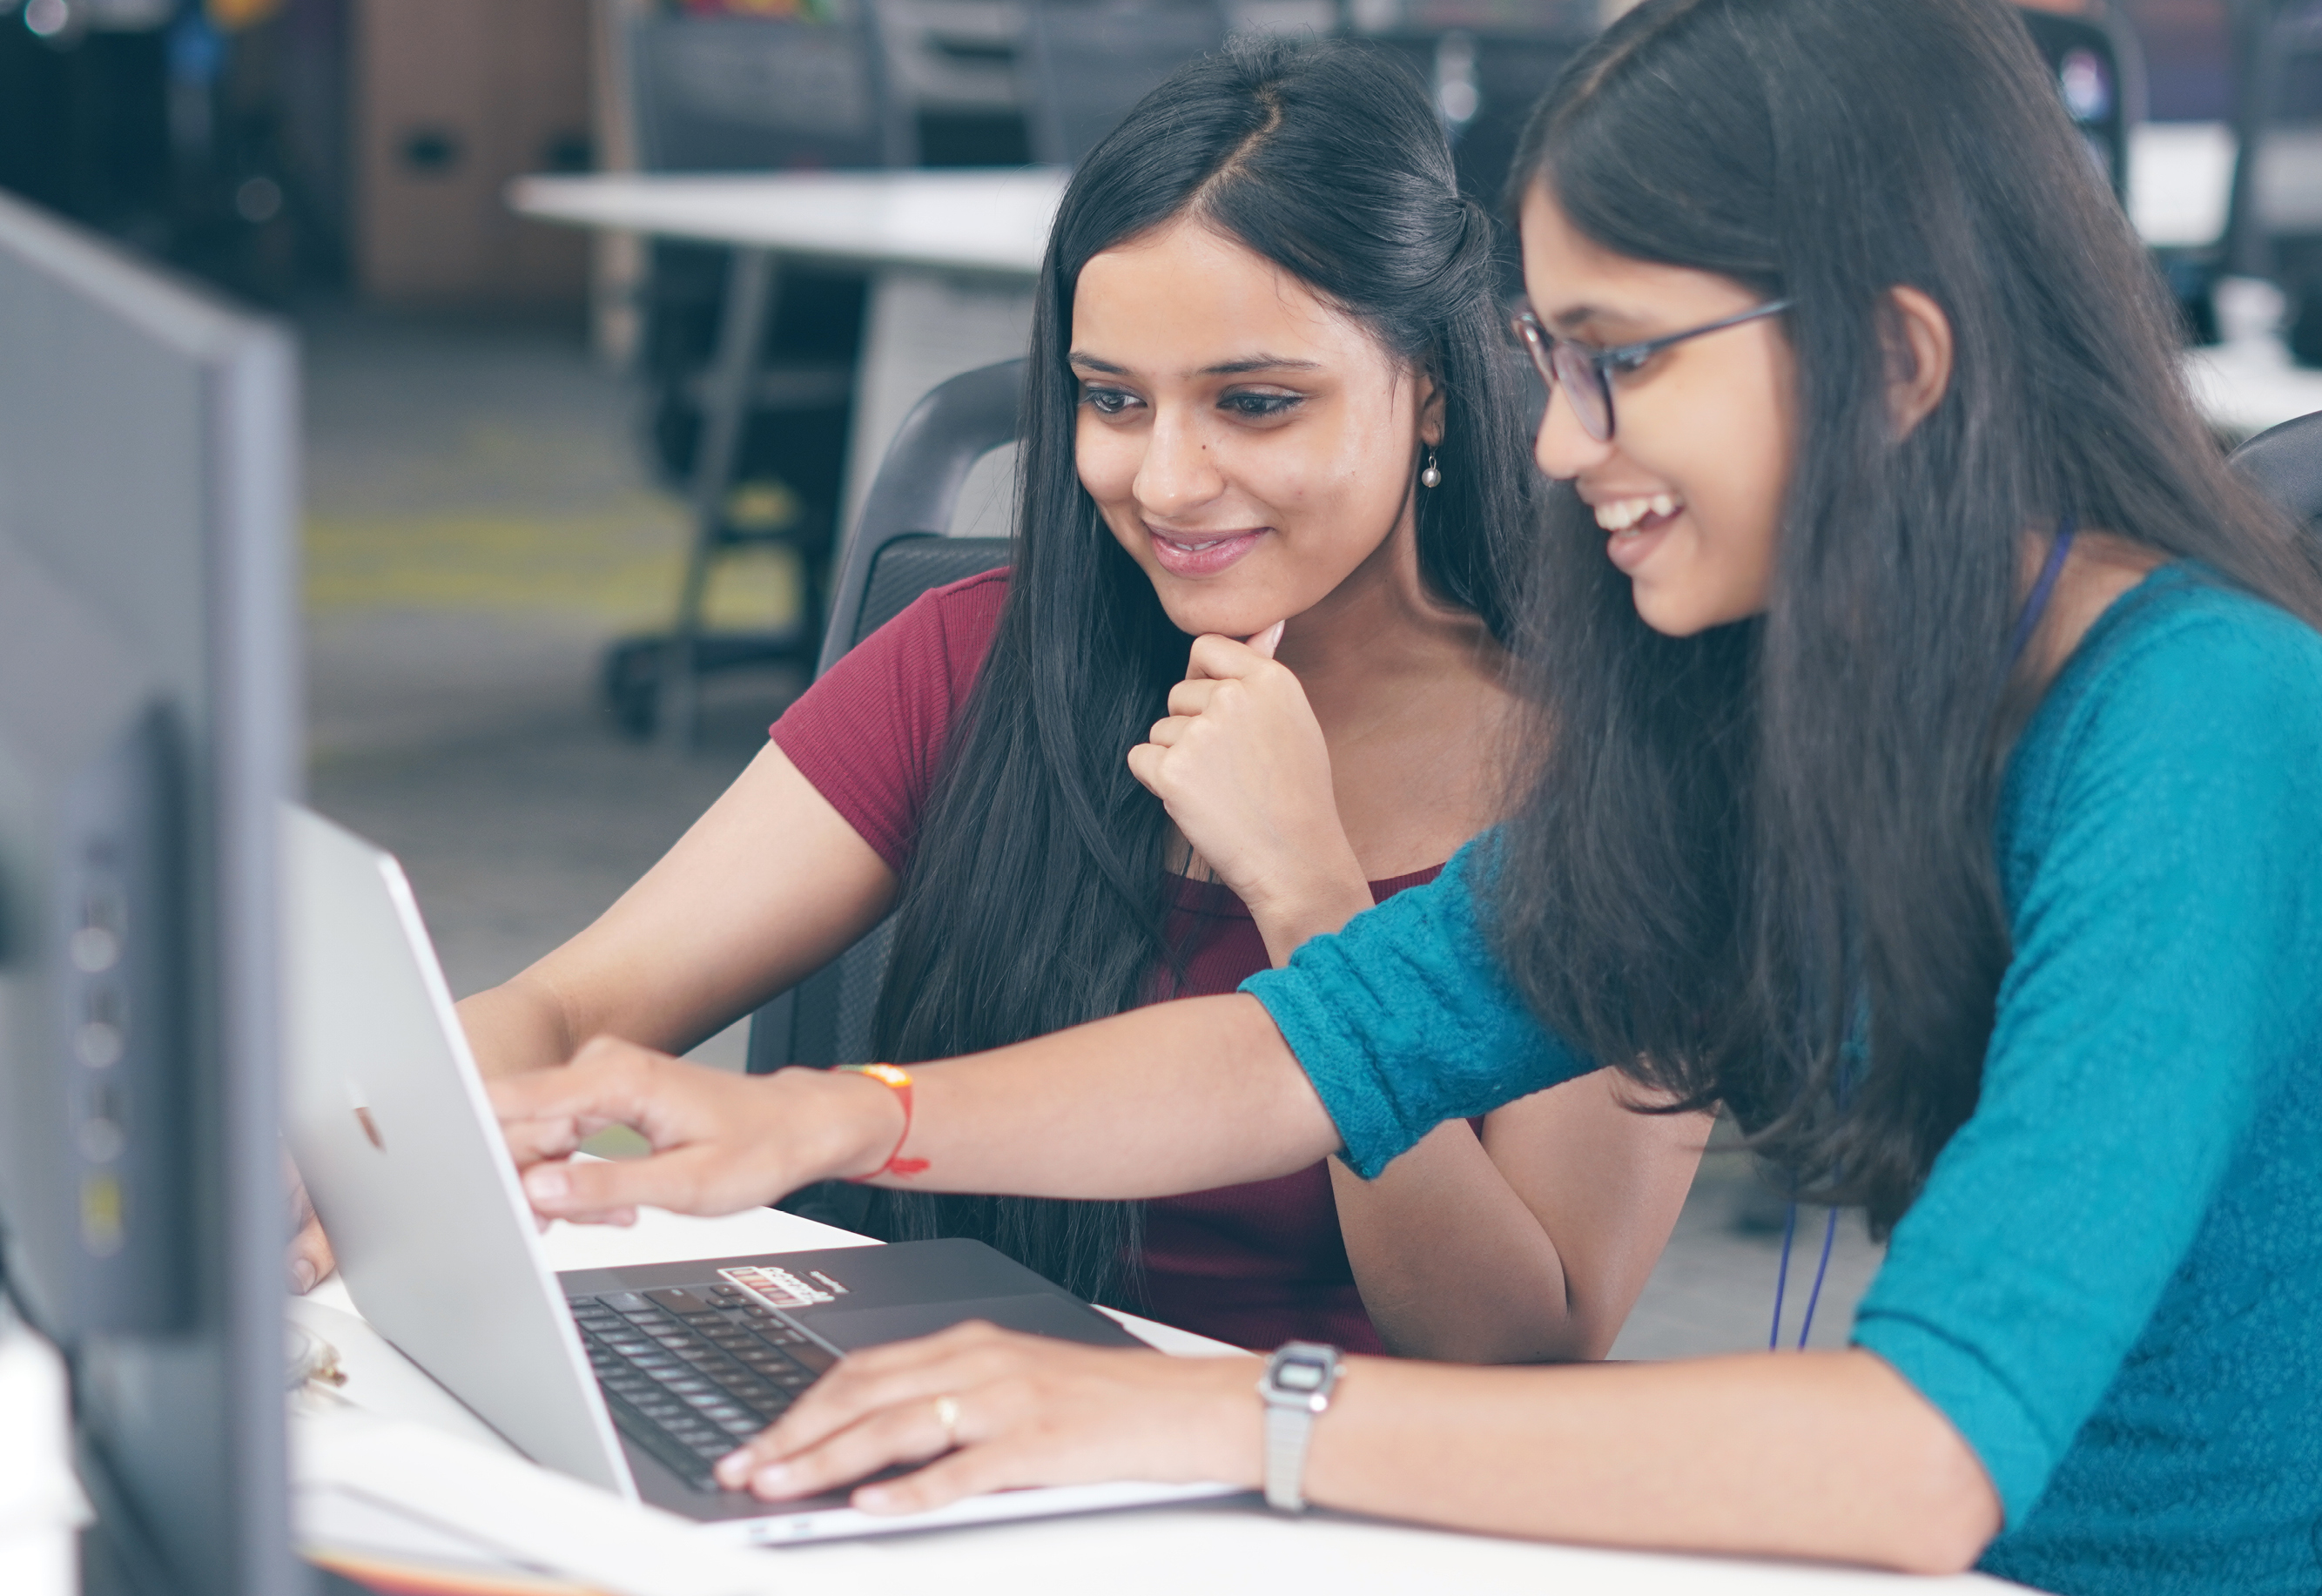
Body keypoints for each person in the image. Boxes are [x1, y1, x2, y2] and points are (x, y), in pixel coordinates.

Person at [490, 0, 2322, 1589]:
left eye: (1614, 362)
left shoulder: (2203, 721)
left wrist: (1197, 1409)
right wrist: (821, 1117)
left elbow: (1920, 1448)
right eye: (1545, 360)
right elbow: (1312, 1043)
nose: (1556, 443)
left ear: (1895, 362)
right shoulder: (1795, 695)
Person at [289, 39, 1709, 1364]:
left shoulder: (1606, 770)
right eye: (1112, 399)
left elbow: (1522, 1348)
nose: (1163, 481)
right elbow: (572, 1002)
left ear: (1434, 393)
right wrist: (357, 1135)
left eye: (1257, 403)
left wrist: (1307, 886)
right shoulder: (976, 659)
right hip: (919, 1420)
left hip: (1307, 1490)